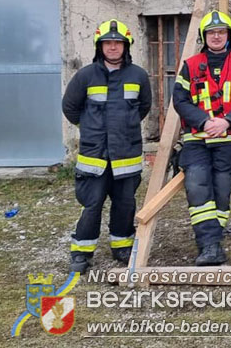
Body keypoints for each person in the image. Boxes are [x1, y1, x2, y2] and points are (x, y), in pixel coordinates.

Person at [62, 19, 151, 273]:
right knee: (92, 203)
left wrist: (124, 127)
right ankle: (82, 252)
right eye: (107, 43)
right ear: (99, 47)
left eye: (118, 43)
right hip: (95, 156)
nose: (113, 47)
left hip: (126, 154)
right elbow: (70, 107)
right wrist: (89, 127)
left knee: (125, 203)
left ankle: (122, 246)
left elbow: (144, 107)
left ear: (126, 46)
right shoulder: (85, 76)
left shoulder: (139, 76)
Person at [173, 10, 231, 265]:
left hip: (228, 141)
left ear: (228, 35)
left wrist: (227, 121)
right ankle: (208, 245)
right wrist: (203, 122)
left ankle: (213, 241)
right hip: (196, 141)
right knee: (198, 189)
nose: (216, 36)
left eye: (221, 32)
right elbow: (179, 99)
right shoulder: (190, 65)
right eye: (211, 33)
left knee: (222, 195)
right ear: (204, 36)